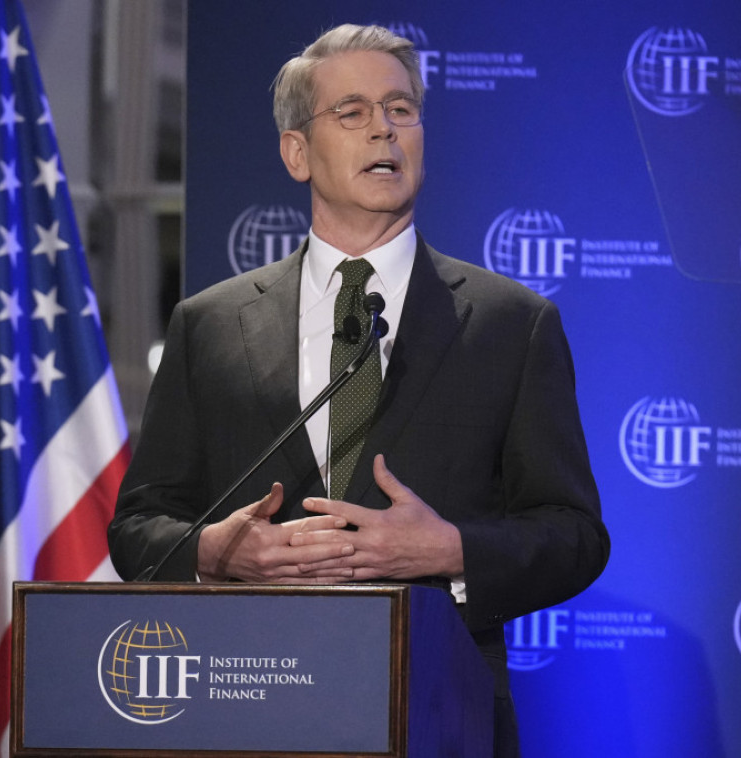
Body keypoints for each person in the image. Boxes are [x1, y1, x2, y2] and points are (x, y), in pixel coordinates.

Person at [108, 23, 609, 757]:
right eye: (353, 112)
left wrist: (448, 549)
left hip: (434, 713)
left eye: (401, 109)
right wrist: (217, 552)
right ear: (296, 152)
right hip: (246, 706)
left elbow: (574, 535)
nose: (385, 129)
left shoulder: (511, 324)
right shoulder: (209, 324)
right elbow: (138, 527)